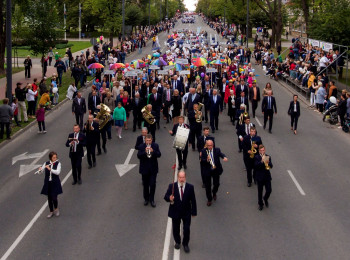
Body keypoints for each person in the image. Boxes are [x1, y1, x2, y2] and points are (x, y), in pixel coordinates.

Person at [164, 171, 197, 253]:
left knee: (186, 229)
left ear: (185, 177)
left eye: (183, 177)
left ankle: (185, 244)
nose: (181, 179)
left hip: (186, 212)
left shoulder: (190, 187)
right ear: (178, 177)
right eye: (180, 177)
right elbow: (166, 197)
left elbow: (193, 200)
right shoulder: (172, 186)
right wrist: (169, 198)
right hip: (175, 211)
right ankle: (177, 242)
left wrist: (194, 212)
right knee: (175, 229)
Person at [200, 140, 228, 206]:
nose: (210, 147)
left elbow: (221, 154)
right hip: (207, 170)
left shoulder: (217, 150)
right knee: (208, 186)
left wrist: (224, 157)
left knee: (217, 184)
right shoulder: (203, 151)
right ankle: (209, 199)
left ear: (213, 145)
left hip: (216, 170)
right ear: (206, 145)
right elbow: (201, 161)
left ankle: (214, 192)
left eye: (211, 145)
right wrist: (206, 160)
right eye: (208, 145)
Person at [137, 134, 161, 207]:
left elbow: (159, 154)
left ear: (152, 140)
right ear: (145, 140)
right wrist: (145, 152)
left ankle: (152, 199)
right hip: (144, 169)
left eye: (149, 140)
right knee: (145, 185)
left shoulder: (155, 145)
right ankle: (146, 199)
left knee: (153, 184)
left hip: (153, 169)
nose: (148, 142)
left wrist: (153, 151)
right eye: (147, 140)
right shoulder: (141, 146)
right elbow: (138, 156)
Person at [39, 151, 62, 218]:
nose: (55, 158)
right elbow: (41, 172)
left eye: (56, 157)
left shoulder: (58, 163)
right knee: (49, 198)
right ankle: (51, 211)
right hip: (48, 183)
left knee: (54, 198)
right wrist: (40, 170)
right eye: (54, 157)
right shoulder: (46, 163)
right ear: (50, 158)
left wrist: (50, 169)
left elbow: (57, 172)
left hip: (55, 183)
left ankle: (56, 209)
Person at [254, 145, 273, 211]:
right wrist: (262, 161)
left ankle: (265, 198)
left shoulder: (268, 156)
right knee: (260, 191)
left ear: (265, 150)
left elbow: (271, 166)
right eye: (261, 150)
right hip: (260, 177)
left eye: (263, 150)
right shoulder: (256, 157)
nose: (262, 151)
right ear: (259, 151)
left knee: (269, 190)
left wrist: (268, 163)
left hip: (267, 176)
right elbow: (256, 166)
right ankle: (260, 204)